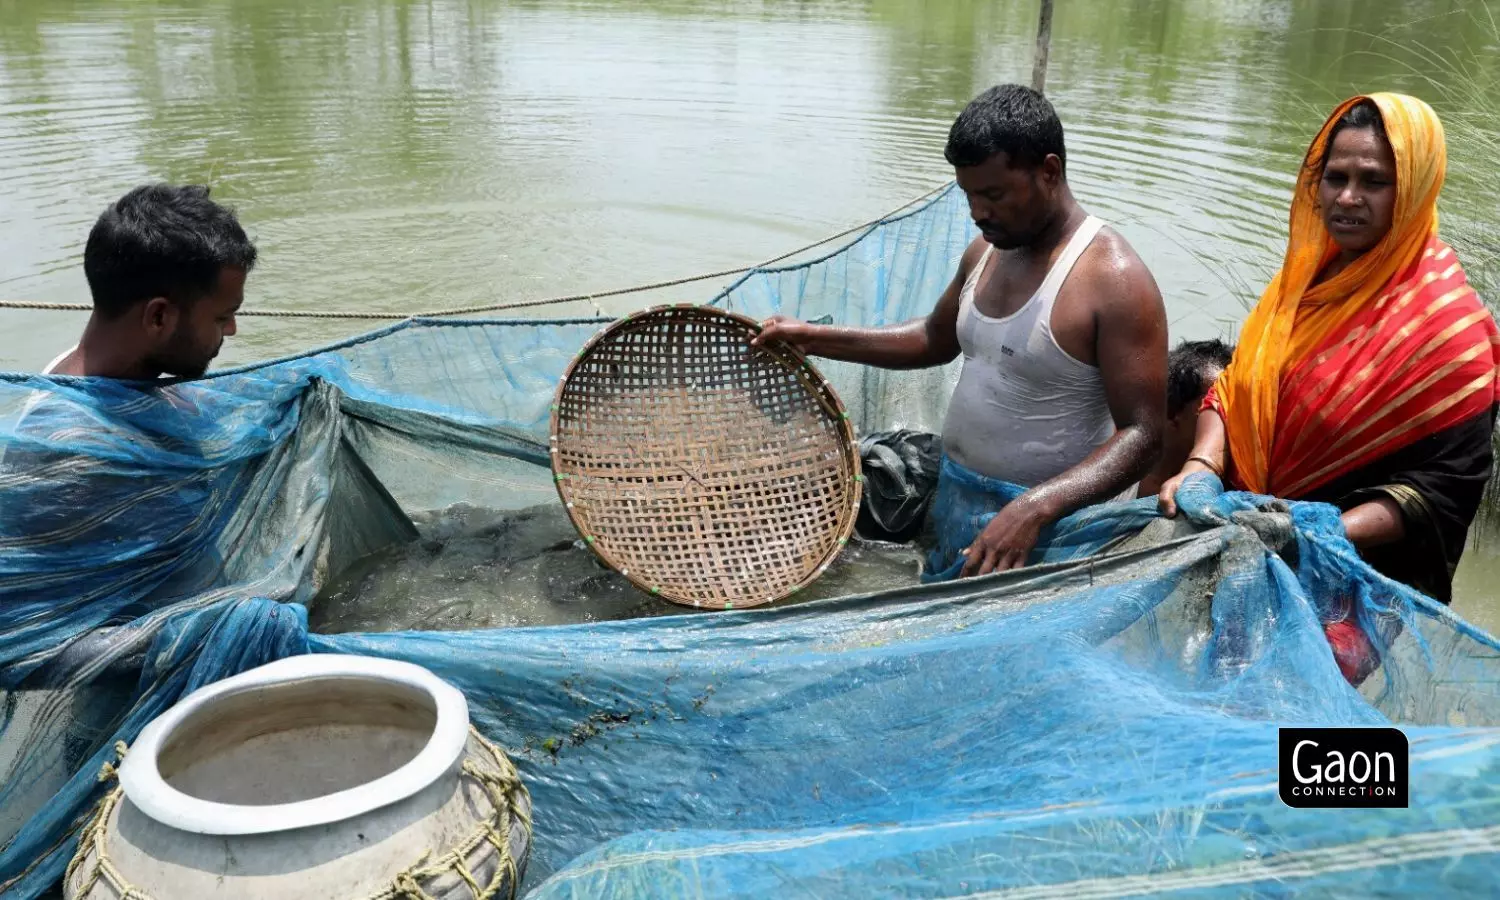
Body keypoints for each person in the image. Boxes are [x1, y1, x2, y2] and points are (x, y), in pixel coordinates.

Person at [755, 84, 1167, 579]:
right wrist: (815, 338)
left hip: (1050, 529)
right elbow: (935, 338)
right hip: (959, 494)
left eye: (994, 194)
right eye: (968, 194)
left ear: (1049, 171)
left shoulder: (1114, 281)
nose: (978, 212)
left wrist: (1035, 509)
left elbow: (1144, 435)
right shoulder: (985, 252)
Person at [1157, 94, 1500, 682]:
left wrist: (1312, 527)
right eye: (1335, 178)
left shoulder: (1450, 328)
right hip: (1245, 542)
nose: (1347, 198)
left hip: (1348, 579)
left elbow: (1444, 489)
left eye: (1373, 182)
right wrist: (1202, 464)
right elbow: (1241, 387)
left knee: (1288, 724)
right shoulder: (1305, 277)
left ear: (1413, 189)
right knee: (1214, 692)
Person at [45, 183, 256, 378]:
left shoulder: (91, 360)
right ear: (158, 317)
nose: (231, 329)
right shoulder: (76, 418)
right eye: (222, 318)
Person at [1137, 338, 1234, 498]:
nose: (1229, 420)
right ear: (1172, 412)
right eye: (1215, 405)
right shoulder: (1110, 494)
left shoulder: (1241, 501)